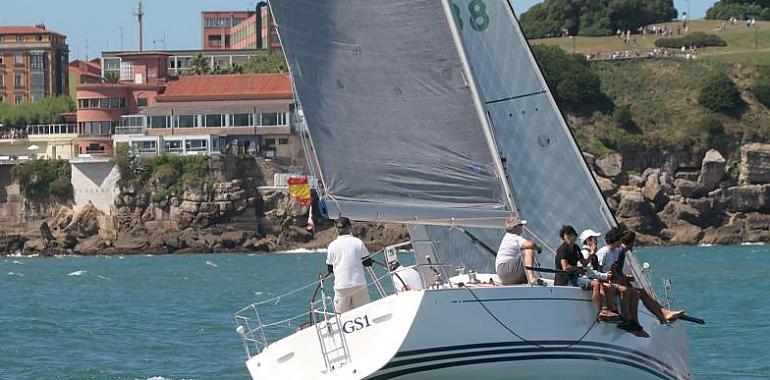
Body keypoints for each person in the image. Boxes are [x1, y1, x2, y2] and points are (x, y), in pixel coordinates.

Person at [611, 231, 685, 325]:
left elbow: (616, 271)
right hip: (616, 283)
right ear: (632, 242)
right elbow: (613, 271)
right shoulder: (620, 252)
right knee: (640, 293)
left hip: (618, 281)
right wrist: (625, 279)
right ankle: (662, 316)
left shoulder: (620, 251)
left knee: (643, 292)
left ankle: (664, 315)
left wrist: (625, 277)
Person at [326, 217, 373, 313]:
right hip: (358, 284)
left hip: (341, 287)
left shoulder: (332, 245)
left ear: (337, 229)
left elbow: (330, 269)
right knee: (365, 313)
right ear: (349, 227)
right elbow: (368, 263)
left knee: (342, 318)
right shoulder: (357, 242)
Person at [579, 229, 620, 321]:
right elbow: (589, 272)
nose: (597, 241)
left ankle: (612, 311)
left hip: (592, 278)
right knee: (600, 284)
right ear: (589, 240)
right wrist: (605, 276)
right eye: (595, 239)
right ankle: (603, 310)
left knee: (606, 285)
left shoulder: (590, 253)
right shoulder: (585, 253)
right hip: (586, 278)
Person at [496, 215, 540, 285]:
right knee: (528, 249)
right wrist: (538, 247)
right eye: (521, 225)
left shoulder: (507, 237)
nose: (522, 227)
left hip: (503, 275)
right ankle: (532, 278)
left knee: (524, 260)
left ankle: (528, 279)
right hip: (505, 270)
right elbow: (530, 245)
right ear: (515, 227)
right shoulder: (513, 237)